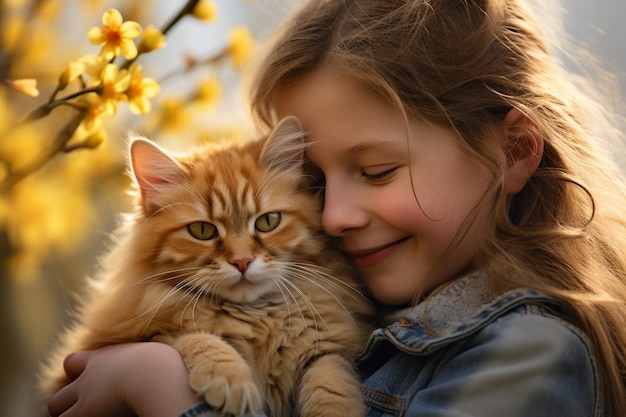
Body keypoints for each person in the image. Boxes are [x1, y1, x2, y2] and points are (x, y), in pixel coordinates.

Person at [47, 0, 626, 416]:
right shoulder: (379, 307)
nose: (333, 217)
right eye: (316, 182)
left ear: (515, 151)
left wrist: (164, 392)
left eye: (376, 171)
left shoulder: (530, 355)